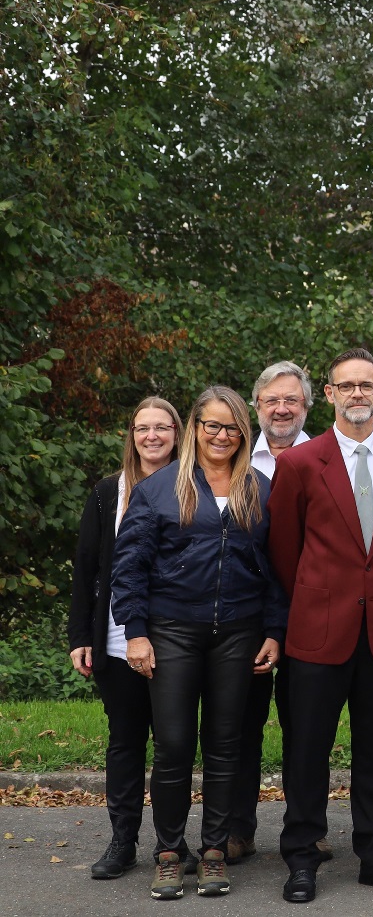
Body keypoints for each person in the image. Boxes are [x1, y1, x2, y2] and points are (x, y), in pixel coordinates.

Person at [111, 386, 286, 901]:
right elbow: (129, 566)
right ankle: (169, 853)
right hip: (172, 631)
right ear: (195, 427)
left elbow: (278, 569)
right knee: (172, 746)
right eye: (211, 425)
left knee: (226, 746)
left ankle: (213, 850)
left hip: (239, 631)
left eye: (230, 428)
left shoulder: (260, 488)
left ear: (242, 433)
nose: (220, 436)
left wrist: (275, 630)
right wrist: (135, 632)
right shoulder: (163, 487)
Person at [268, 348, 373, 903]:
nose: (358, 394)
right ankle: (303, 857)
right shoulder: (300, 464)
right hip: (317, 629)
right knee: (308, 748)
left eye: (367, 385)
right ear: (329, 395)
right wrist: (318, 597)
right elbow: (285, 551)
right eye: (346, 386)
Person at [68, 397, 182, 881]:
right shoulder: (106, 491)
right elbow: (87, 568)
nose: (151, 436)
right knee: (125, 742)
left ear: (179, 433)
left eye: (161, 427)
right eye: (142, 428)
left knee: (174, 744)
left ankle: (171, 847)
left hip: (178, 636)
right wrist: (81, 635)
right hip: (116, 638)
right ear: (131, 436)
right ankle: (122, 841)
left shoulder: (191, 485)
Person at [229, 361, 315, 864]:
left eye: (292, 400)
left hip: (309, 615)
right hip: (245, 615)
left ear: (307, 406)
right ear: (257, 405)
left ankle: (306, 830)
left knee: (306, 730)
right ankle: (237, 828)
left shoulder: (330, 457)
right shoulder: (235, 458)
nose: (282, 409)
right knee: (240, 726)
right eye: (271, 401)